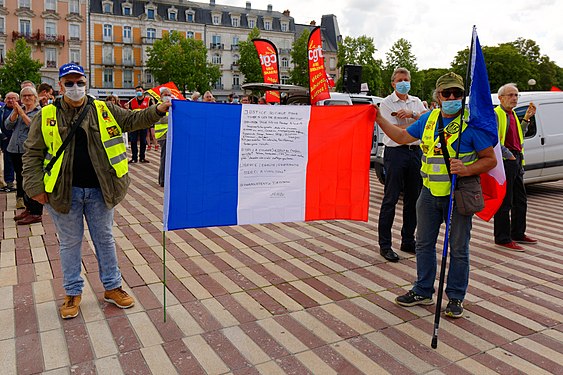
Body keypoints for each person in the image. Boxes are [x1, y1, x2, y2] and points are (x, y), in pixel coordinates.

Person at [22, 63, 171, 319]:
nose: (75, 88)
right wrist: (34, 188)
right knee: (70, 244)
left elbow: (133, 119)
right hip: (62, 192)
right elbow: (32, 153)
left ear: (86, 82)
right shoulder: (46, 115)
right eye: (69, 83)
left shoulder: (102, 109)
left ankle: (113, 287)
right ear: (60, 86)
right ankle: (72, 292)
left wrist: (158, 109)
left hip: (101, 191)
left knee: (105, 240)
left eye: (79, 82)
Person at [375, 72, 496, 318]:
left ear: (463, 97)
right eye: (446, 93)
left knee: (459, 248)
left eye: (457, 93)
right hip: (429, 193)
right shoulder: (429, 119)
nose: (452, 97)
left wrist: (467, 169)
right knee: (423, 243)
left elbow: (490, 159)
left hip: (458, 194)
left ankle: (455, 297)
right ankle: (423, 290)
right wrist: (378, 118)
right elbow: (400, 136)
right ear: (438, 96)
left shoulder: (470, 124)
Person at [377, 67, 427, 262]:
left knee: (413, 200)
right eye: (400, 80)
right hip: (395, 153)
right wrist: (417, 123)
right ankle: (385, 245)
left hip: (415, 152)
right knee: (390, 199)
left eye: (406, 79)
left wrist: (412, 115)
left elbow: (427, 121)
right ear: (393, 83)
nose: (404, 82)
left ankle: (408, 239)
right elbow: (393, 129)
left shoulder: (415, 102)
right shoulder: (386, 103)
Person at [493, 83, 537, 251]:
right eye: (510, 95)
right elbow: (494, 139)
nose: (514, 98)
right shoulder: (496, 114)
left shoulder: (511, 114)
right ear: (500, 98)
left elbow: (520, 136)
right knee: (505, 201)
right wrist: (509, 156)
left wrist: (526, 118)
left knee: (520, 199)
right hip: (506, 160)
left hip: (516, 160)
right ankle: (502, 238)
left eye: (516, 95)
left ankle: (518, 232)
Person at [6, 86, 43, 221]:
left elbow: (34, 127)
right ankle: (28, 208)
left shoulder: (39, 112)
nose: (27, 98)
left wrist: (22, 113)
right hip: (14, 149)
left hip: (29, 152)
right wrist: (15, 114)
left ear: (35, 97)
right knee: (21, 180)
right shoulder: (19, 110)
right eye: (24, 96)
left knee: (32, 180)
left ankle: (36, 212)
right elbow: (7, 126)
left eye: (29, 95)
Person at [128, 85, 155, 163]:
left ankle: (142, 157)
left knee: (143, 141)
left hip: (144, 123)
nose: (138, 92)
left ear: (143, 91)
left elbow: (151, 111)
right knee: (133, 141)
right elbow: (129, 112)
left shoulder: (148, 100)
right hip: (134, 123)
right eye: (137, 91)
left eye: (140, 90)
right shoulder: (132, 101)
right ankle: (134, 158)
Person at [0, 92, 18, 193]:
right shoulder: (1, 111)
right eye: (8, 98)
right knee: (7, 161)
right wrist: (2, 136)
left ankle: (19, 182)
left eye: (13, 98)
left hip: (19, 141)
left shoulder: (22, 110)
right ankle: (9, 182)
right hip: (5, 140)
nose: (11, 100)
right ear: (5, 99)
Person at [155, 87, 171, 187]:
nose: (167, 96)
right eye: (165, 95)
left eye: (169, 94)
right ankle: (162, 180)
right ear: (161, 96)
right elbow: (163, 120)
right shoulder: (158, 106)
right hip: (163, 135)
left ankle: (167, 178)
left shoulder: (170, 106)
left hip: (169, 135)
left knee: (168, 158)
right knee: (164, 158)